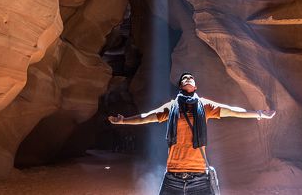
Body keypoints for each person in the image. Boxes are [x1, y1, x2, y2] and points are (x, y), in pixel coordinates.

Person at [108, 72, 276, 194]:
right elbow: (147, 117)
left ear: (195, 86)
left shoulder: (205, 106)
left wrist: (259, 114)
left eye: (191, 78)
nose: (188, 79)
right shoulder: (172, 107)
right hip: (173, 175)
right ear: (181, 86)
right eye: (184, 78)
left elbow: (232, 111)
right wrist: (124, 120)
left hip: (199, 177)